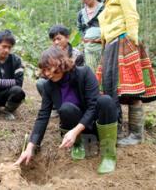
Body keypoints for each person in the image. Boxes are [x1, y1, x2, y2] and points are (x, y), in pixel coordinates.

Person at [15, 46, 118, 174]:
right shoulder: (48, 86)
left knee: (105, 100)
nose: (46, 73)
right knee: (66, 108)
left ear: (60, 63)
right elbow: (43, 116)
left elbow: (93, 106)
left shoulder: (84, 73)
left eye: (49, 69)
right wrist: (30, 146)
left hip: (96, 124)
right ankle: (78, 144)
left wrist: (75, 131)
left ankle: (108, 154)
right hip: (75, 131)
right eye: (44, 70)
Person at [91, 0, 156, 146]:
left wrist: (132, 42)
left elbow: (131, 15)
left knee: (130, 88)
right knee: (111, 89)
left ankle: (136, 135)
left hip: (124, 43)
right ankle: (116, 132)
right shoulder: (107, 2)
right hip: (110, 47)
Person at [36, 25, 84, 117]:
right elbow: (44, 74)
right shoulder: (50, 54)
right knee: (40, 83)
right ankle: (54, 107)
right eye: (54, 40)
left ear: (67, 37)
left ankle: (73, 106)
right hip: (55, 83)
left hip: (71, 85)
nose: (56, 42)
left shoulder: (77, 55)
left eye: (59, 39)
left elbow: (78, 76)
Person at [74, 0, 104, 72]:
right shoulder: (81, 14)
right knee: (92, 75)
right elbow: (80, 28)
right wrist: (86, 38)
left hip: (105, 49)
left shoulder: (105, 8)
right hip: (89, 50)